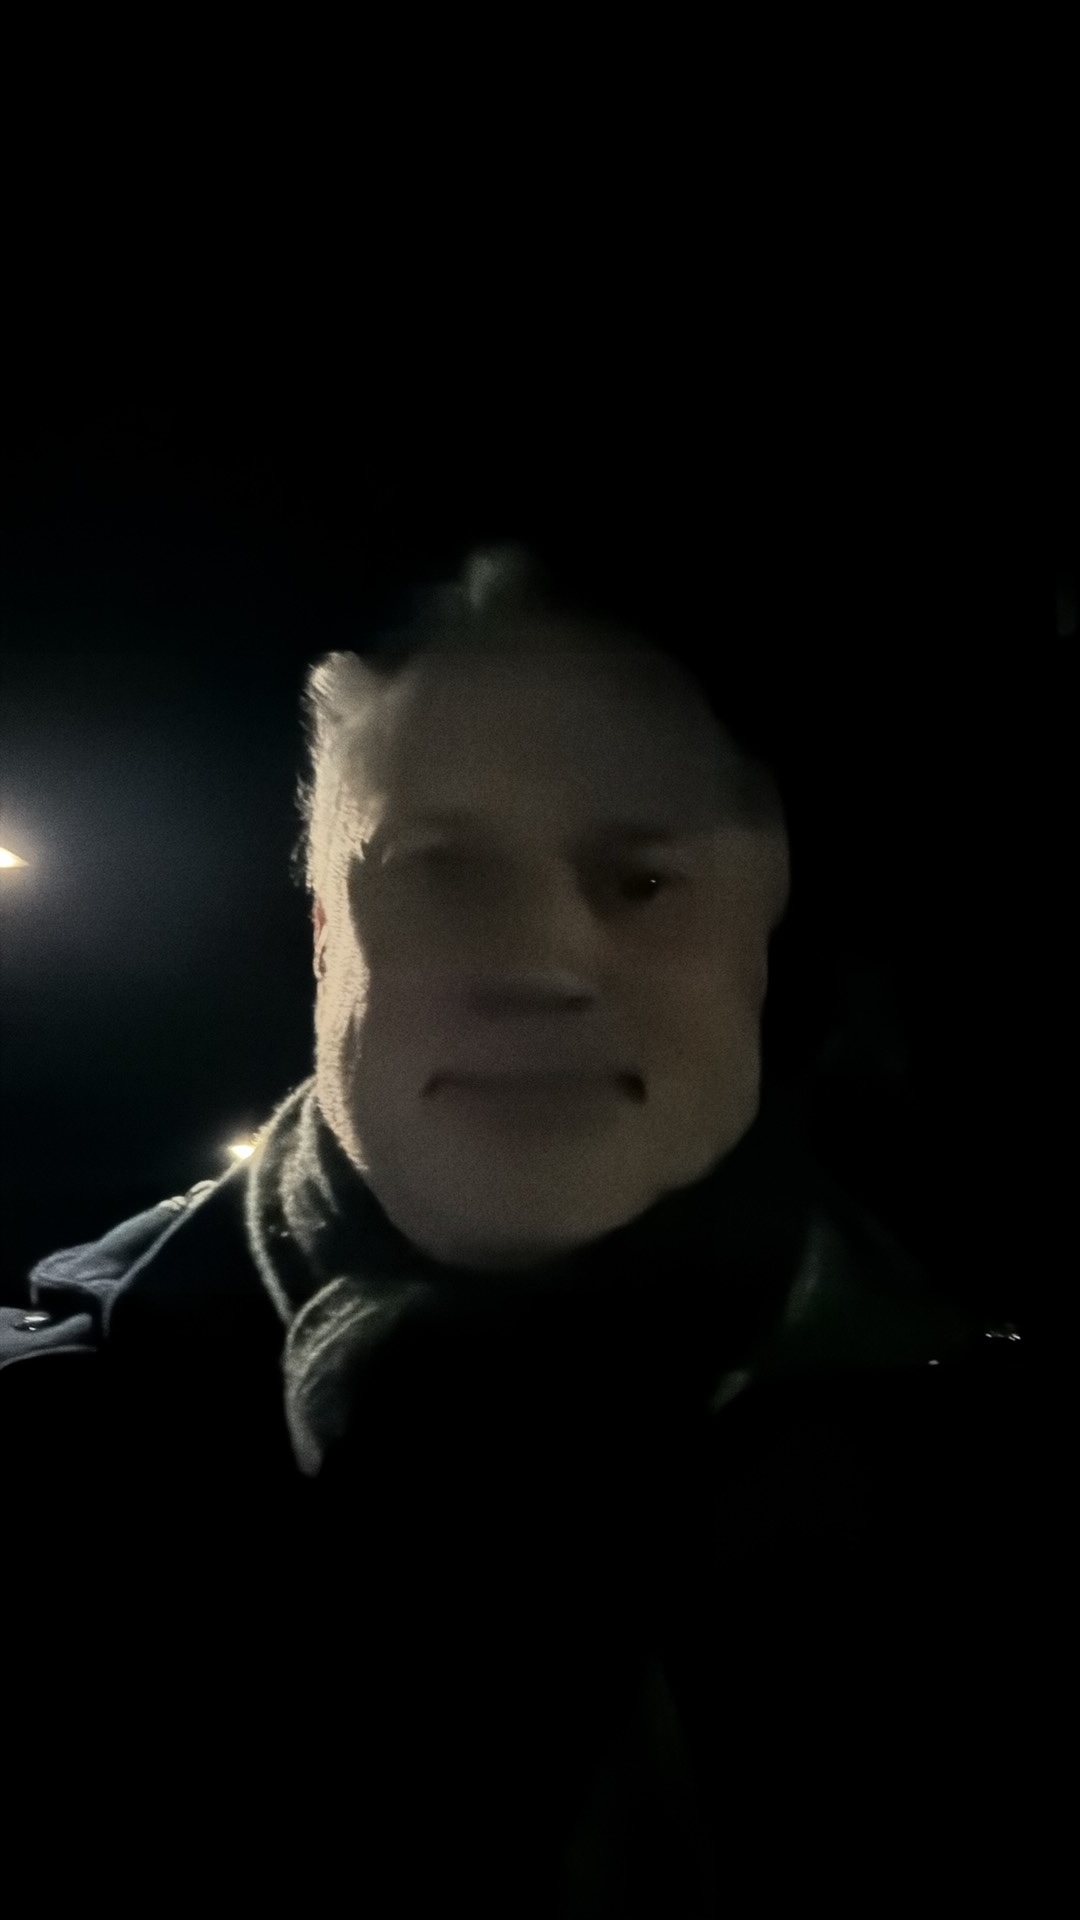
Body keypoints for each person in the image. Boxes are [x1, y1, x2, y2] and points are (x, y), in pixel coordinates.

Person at [1, 541, 1054, 1917]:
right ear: (325, 940)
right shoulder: (48, 1455)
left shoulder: (989, 1477)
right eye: (441, 871)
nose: (543, 964)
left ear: (765, 942)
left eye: (644, 883)